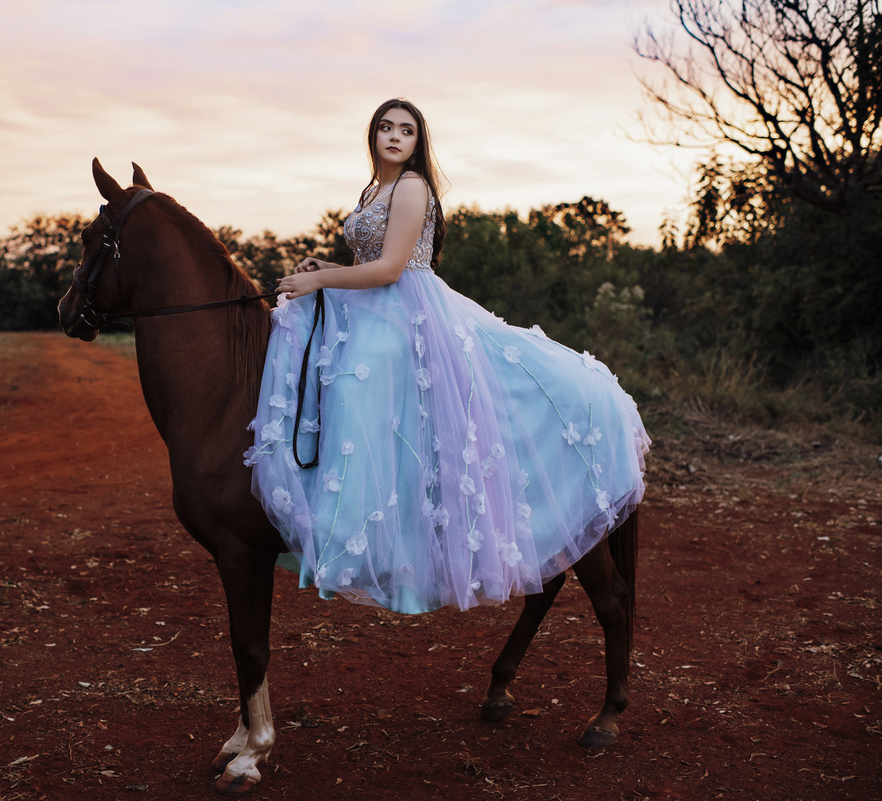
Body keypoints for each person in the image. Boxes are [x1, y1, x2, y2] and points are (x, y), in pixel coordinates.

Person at [245, 98, 649, 614]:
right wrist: (325, 265)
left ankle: (395, 542)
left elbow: (391, 268)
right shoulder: (374, 189)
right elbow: (366, 261)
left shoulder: (412, 187)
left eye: (406, 130)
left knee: (356, 386)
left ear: (418, 142)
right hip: (375, 307)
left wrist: (319, 279)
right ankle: (343, 524)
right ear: (373, 136)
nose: (394, 136)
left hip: (407, 308)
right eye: (386, 128)